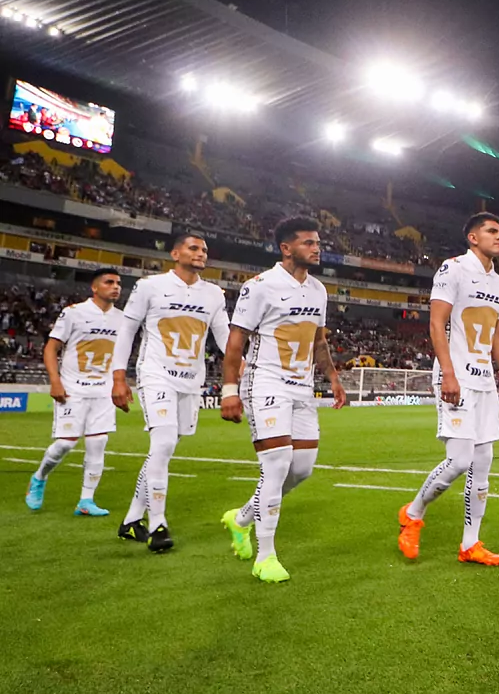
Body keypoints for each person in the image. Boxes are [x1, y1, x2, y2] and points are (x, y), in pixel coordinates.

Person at [218, 217, 347, 583]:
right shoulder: (259, 287)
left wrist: (333, 378)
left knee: (302, 469)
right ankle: (266, 555)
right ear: (286, 248)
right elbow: (235, 341)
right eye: (308, 242)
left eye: (317, 242)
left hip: (302, 388)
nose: (317, 248)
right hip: (265, 383)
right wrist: (230, 390)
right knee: (276, 466)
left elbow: (319, 341)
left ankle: (241, 519)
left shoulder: (319, 289)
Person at [397, 213, 499, 564]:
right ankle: (413, 513)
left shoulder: (498, 283)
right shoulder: (452, 269)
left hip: (484, 382)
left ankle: (470, 544)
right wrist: (448, 373)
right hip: (456, 377)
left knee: (483, 463)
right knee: (458, 461)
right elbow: (436, 323)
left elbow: (498, 336)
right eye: (492, 231)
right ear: (472, 237)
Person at [110, 233, 229, 553]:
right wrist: (119, 377)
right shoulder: (150, 286)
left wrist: (240, 366)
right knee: (161, 443)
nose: (201, 253)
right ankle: (157, 523)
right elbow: (127, 330)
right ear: (175, 253)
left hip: (191, 380)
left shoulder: (214, 294)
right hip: (155, 374)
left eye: (204, 249)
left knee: (162, 451)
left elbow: (224, 336)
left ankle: (131, 521)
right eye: (193, 248)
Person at [26, 269, 124, 515]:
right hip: (73, 388)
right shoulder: (74, 313)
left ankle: (86, 502)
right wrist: (55, 380)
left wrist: (120, 383)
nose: (115, 287)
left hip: (103, 390)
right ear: (94, 287)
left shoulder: (123, 319)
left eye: (118, 283)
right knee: (65, 444)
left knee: (98, 442)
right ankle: (39, 478)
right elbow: (51, 348)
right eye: (109, 282)